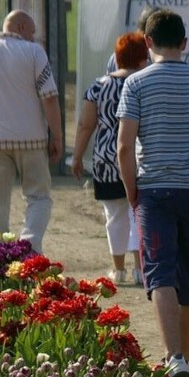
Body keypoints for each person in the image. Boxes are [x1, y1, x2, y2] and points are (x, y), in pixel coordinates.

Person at [116, 9, 189, 377]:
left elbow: (124, 147)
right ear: (185, 44)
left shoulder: (136, 84)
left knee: (160, 273)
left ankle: (174, 357)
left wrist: (132, 189)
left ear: (147, 42)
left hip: (155, 190)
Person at [71, 31, 149, 285]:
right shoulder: (145, 83)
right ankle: (140, 269)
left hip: (106, 160)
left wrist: (78, 156)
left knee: (114, 215)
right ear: (142, 58)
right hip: (140, 157)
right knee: (138, 214)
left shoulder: (98, 86)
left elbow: (85, 125)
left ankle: (119, 269)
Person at [0, 10, 62, 252]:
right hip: (32, 139)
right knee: (38, 198)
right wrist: (57, 136)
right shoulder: (34, 52)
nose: (34, 37)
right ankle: (29, 249)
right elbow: (49, 97)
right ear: (20, 27)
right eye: (32, 31)